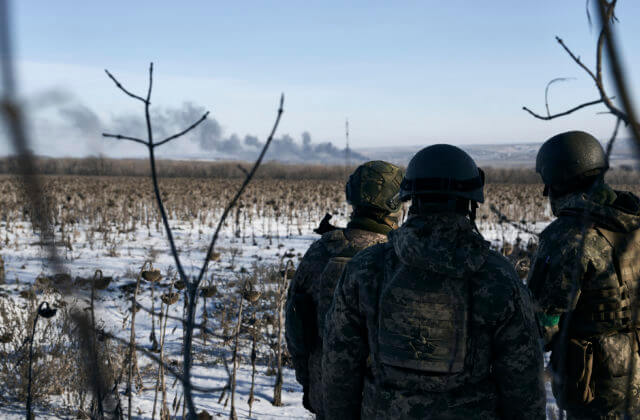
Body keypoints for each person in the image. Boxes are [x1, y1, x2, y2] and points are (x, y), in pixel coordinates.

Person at [322, 144, 546, 419]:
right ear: (471, 202)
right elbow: (523, 382)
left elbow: (339, 367)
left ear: (409, 198)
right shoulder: (498, 276)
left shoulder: (365, 269)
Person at [528, 130, 640, 419]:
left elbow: (541, 321)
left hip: (599, 387)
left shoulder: (567, 237)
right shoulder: (634, 221)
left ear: (558, 181)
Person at [285, 160, 404, 418]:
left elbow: (295, 327)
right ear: (395, 205)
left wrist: (313, 384)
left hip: (326, 399)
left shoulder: (321, 251)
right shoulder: (399, 259)